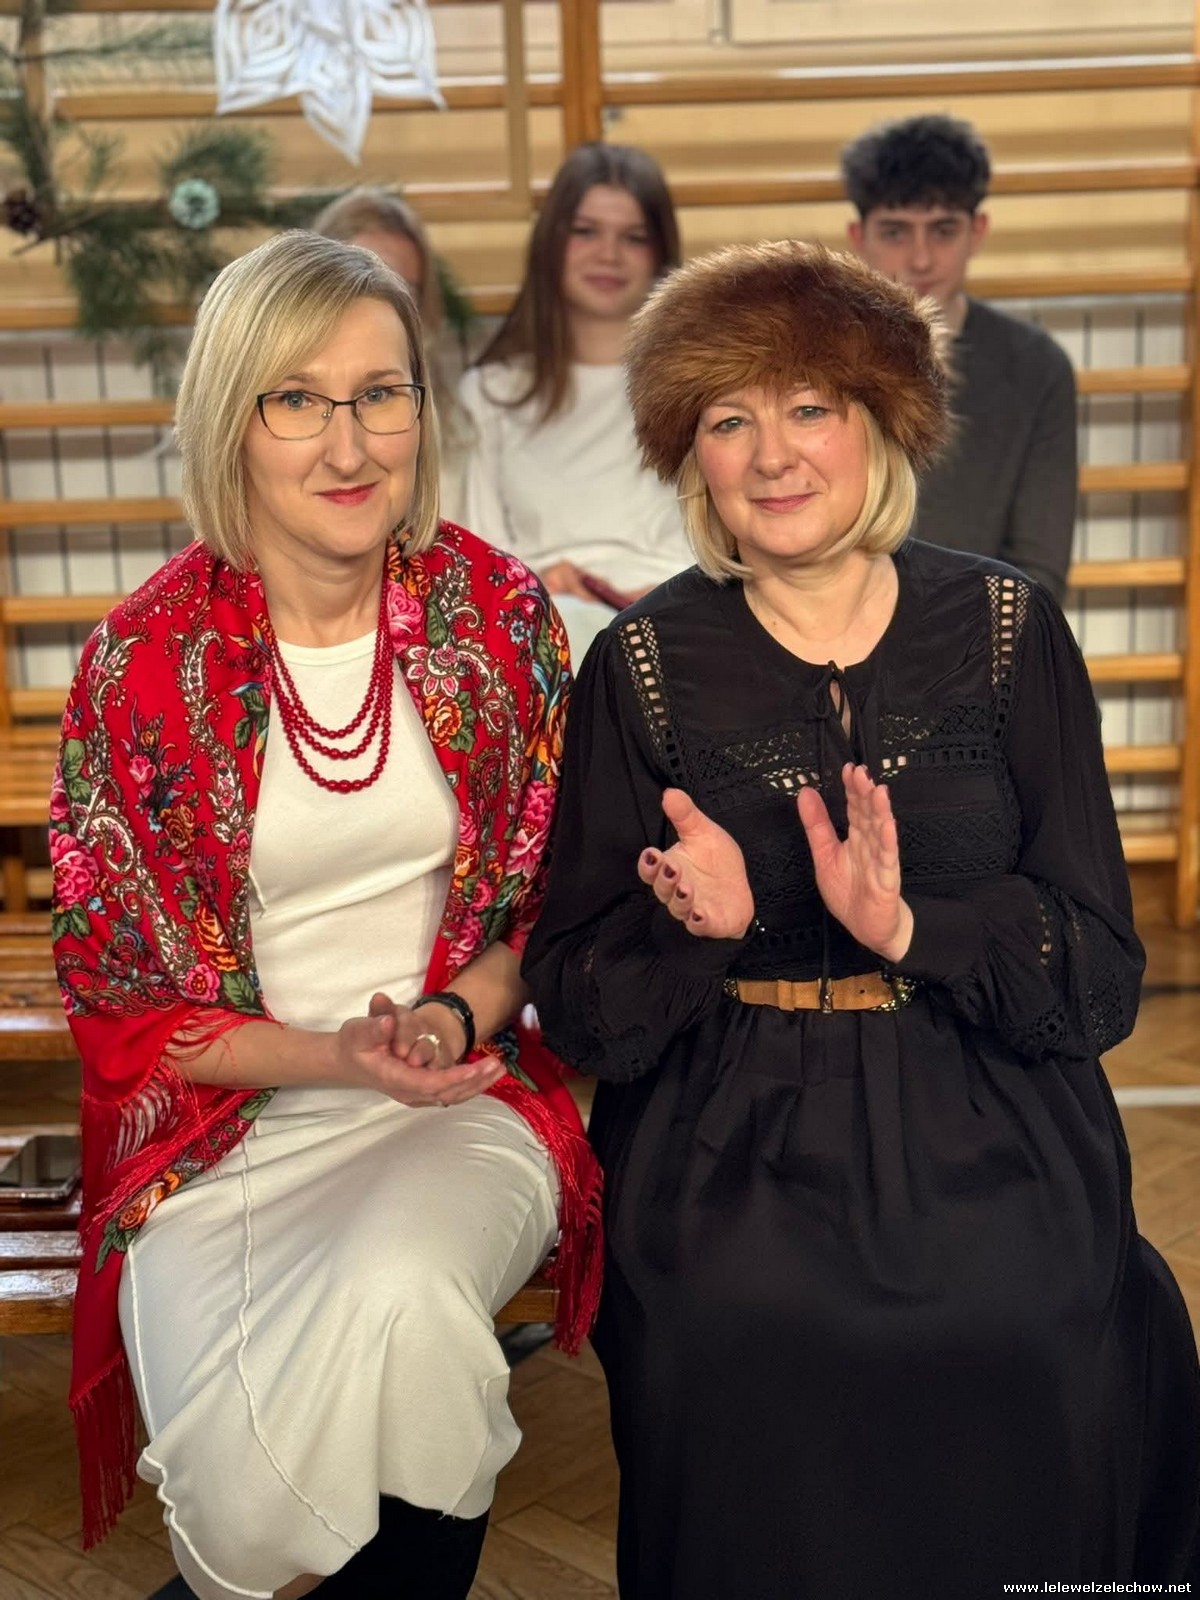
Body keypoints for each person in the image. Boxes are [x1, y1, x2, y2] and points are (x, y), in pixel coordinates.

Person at [522, 239, 1200, 1599]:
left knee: (1045, 1321)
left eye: (808, 408)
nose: (772, 455)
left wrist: (911, 930)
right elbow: (577, 1000)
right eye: (730, 420)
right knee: (741, 1338)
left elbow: (1101, 974)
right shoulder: (639, 665)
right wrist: (698, 931)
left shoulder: (1009, 629)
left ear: (881, 424)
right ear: (691, 455)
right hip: (730, 1132)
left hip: (987, 1102)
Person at [50, 230, 601, 1600]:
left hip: (455, 1101)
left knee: (406, 1307)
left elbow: (549, 910)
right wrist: (334, 1055)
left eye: (380, 393)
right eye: (297, 398)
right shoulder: (140, 665)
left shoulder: (498, 618)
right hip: (223, 1132)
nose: (349, 444)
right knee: (243, 1518)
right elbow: (125, 1011)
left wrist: (443, 1019)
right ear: (229, 422)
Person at [459, 142, 692, 664]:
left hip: (679, 631)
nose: (608, 255)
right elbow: (473, 561)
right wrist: (538, 584)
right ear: (551, 242)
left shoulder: (702, 388)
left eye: (633, 237)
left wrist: (668, 597)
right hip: (538, 632)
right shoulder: (489, 393)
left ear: (660, 254)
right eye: (586, 232)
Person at [842, 112, 1077, 601]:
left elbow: (1039, 574)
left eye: (943, 230)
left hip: (986, 634)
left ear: (978, 231)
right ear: (858, 237)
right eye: (895, 232)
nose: (921, 258)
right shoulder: (818, 359)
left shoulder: (1036, 367)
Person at [312, 187, 474, 523]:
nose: (384, 306)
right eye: (363, 283)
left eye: (403, 291)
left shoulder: (453, 418)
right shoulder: (274, 403)